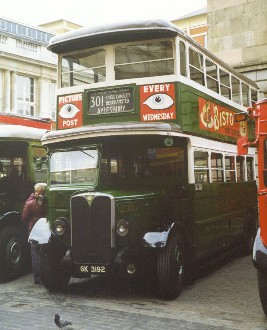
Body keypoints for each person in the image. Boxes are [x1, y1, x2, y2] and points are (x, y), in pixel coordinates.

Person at [22, 182, 47, 284]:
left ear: (36, 191)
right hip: (45, 230)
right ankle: (46, 276)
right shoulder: (47, 202)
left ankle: (37, 278)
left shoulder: (30, 203)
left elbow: (24, 217)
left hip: (33, 230)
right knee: (44, 255)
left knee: (35, 255)